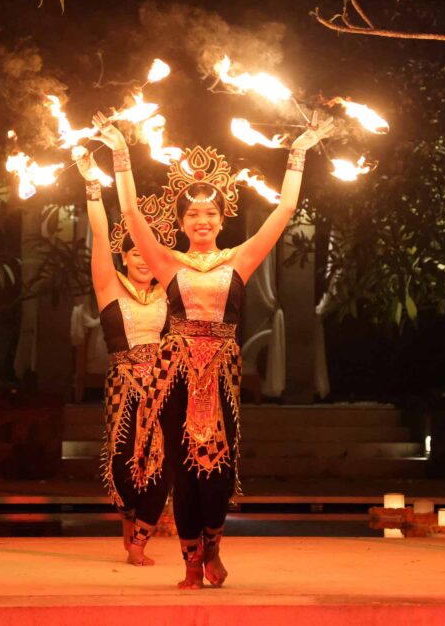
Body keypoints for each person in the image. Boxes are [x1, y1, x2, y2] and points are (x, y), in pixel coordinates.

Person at [94, 113, 336, 588]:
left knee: (218, 467)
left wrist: (300, 151)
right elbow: (130, 217)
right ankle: (189, 561)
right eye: (192, 215)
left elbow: (284, 210)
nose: (201, 221)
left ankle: (214, 547)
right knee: (184, 470)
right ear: (182, 222)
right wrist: (120, 152)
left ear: (222, 219)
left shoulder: (240, 259)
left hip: (220, 371)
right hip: (174, 373)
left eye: (210, 214)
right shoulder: (167, 263)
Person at [74, 148, 177, 566]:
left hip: (166, 382)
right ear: (125, 255)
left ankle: (141, 539)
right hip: (124, 385)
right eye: (133, 251)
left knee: (163, 459)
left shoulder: (172, 288)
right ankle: (127, 521)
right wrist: (92, 185)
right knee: (123, 459)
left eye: (147, 253)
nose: (141, 259)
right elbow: (101, 235)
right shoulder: (109, 287)